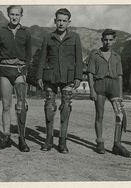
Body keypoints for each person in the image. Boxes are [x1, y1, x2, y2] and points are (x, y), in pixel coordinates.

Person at [37, 8, 83, 154]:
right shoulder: (48, 37)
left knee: (66, 108)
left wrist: (78, 77)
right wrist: (39, 76)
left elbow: (79, 59)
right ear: (55, 21)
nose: (61, 23)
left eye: (64, 20)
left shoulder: (75, 37)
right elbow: (42, 58)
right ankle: (48, 140)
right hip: (50, 76)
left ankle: (62, 142)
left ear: (69, 22)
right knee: (49, 107)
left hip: (68, 77)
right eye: (59, 20)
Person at [87, 29, 131, 157]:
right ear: (102, 40)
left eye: (110, 40)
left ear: (114, 40)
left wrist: (120, 93)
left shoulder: (117, 56)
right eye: (105, 39)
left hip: (114, 87)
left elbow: (119, 76)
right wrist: (92, 90)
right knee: (99, 115)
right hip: (100, 85)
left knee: (120, 115)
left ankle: (117, 144)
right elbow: (90, 73)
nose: (108, 42)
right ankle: (100, 142)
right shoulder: (95, 54)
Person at [0, 5, 31, 152]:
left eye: (17, 15)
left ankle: (22, 139)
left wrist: (25, 68)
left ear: (21, 15)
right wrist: (1, 68)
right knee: (6, 105)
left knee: (21, 105)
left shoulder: (26, 33)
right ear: (8, 15)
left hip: (19, 71)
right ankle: (6, 137)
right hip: (5, 71)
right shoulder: (1, 32)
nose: (14, 17)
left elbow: (29, 55)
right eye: (12, 14)